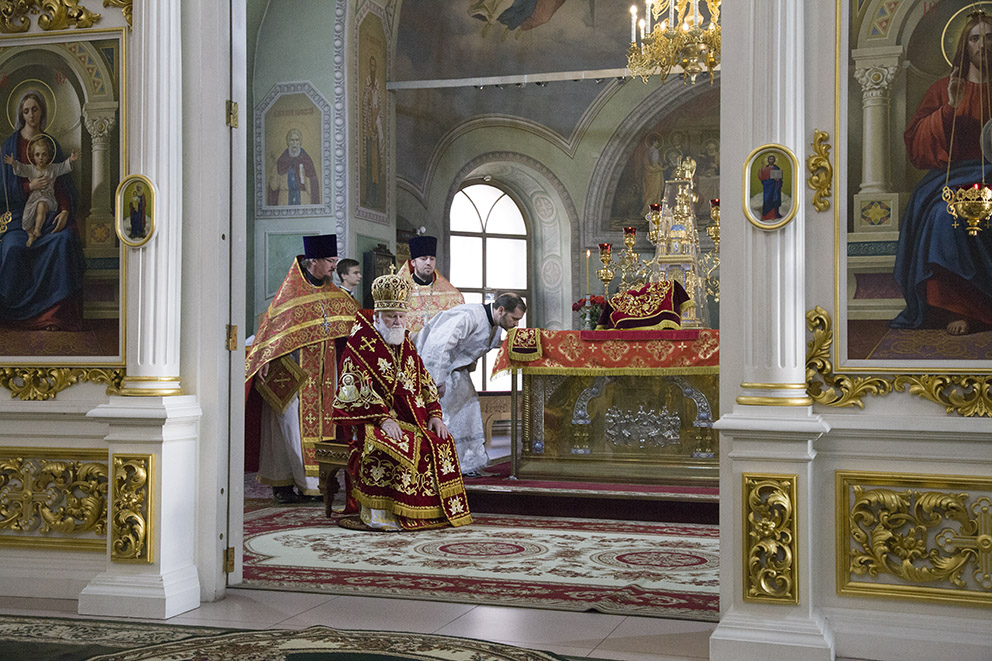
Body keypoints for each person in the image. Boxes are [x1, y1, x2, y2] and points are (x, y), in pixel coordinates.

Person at [332, 268, 472, 531]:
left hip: (412, 420)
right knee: (398, 447)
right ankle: (385, 514)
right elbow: (353, 387)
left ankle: (429, 513)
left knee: (439, 440)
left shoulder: (405, 342)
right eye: (391, 316)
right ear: (378, 315)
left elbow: (424, 380)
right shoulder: (360, 344)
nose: (397, 321)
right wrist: (383, 419)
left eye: (401, 315)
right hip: (370, 421)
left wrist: (435, 415)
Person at [893, 10, 992, 336]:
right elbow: (917, 141)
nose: (983, 45)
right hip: (956, 176)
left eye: (989, 37)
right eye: (975, 38)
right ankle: (960, 308)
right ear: (965, 45)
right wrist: (950, 107)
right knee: (941, 215)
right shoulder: (944, 88)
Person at [245, 234, 359, 503]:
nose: (334, 266)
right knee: (287, 431)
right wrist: (265, 359)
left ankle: (315, 484)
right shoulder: (290, 295)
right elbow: (270, 334)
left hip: (324, 376)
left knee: (319, 430)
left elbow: (353, 329)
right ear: (313, 261)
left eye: (335, 261)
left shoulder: (336, 296)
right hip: (292, 375)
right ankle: (288, 484)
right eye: (330, 261)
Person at [0, 89, 85, 331]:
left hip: (50, 213)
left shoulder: (51, 144)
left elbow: (62, 184)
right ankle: (14, 316)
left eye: (35, 109)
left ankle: (54, 315)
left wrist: (65, 210)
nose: (31, 115)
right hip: (18, 217)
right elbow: (3, 190)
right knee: (13, 247)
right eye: (26, 110)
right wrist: (29, 187)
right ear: (20, 114)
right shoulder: (9, 147)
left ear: (42, 111)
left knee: (65, 239)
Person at [415, 292, 526, 475]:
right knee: (446, 415)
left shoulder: (495, 327)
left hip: (456, 370)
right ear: (501, 310)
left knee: (470, 409)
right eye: (514, 319)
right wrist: (437, 380)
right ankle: (443, 464)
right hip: (432, 367)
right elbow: (438, 346)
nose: (516, 324)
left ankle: (466, 464)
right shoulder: (469, 316)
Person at [4, 136, 78, 248]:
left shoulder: (52, 169)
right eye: (37, 155)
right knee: (26, 219)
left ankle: (37, 229)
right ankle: (31, 235)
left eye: (44, 154)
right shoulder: (31, 169)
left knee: (41, 206)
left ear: (48, 156)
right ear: (33, 156)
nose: (41, 158)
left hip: (48, 198)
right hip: (33, 199)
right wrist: (14, 163)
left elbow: (63, 167)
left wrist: (71, 160)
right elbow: (21, 169)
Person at [396, 235, 465, 336]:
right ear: (413, 262)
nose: (428, 262)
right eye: (423, 259)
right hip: (408, 344)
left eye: (432, 259)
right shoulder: (398, 291)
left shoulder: (452, 295)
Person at [267, 128, 319, 206]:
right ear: (288, 142)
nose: (294, 143)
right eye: (292, 140)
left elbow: (313, 185)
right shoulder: (281, 161)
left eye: (297, 140)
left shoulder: (306, 160)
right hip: (284, 199)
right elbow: (274, 186)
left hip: (303, 199)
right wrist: (274, 170)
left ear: (300, 142)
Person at [361, 55, 383, 210]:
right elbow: (365, 105)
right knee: (370, 167)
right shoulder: (367, 85)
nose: (373, 69)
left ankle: (376, 198)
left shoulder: (378, 86)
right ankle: (369, 197)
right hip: (369, 133)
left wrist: (376, 122)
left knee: (377, 167)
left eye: (375, 66)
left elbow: (379, 105)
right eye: (371, 66)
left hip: (377, 129)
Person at [758, 155, 783, 220]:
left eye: (772, 159)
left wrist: (778, 180)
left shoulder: (776, 168)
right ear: (768, 160)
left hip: (774, 187)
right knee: (767, 200)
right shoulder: (765, 168)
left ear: (774, 160)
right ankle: (766, 216)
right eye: (770, 159)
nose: (771, 160)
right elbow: (761, 177)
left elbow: (779, 178)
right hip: (767, 187)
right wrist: (761, 167)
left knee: (774, 200)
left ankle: (775, 215)